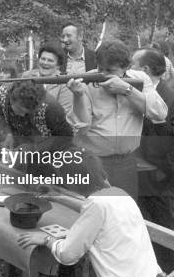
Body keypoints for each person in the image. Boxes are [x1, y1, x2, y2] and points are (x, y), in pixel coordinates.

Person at [17, 156, 162, 277]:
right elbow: (91, 207)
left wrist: (46, 239)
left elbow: (67, 254)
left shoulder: (97, 205)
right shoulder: (121, 195)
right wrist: (58, 197)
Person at [67, 40, 167, 200]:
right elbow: (83, 124)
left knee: (124, 211)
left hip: (126, 162)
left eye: (110, 71)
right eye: (101, 69)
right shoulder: (88, 80)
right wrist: (78, 95)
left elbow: (159, 113)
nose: (104, 74)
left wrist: (127, 90)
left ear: (126, 67)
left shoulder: (140, 79)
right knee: (91, 206)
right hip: (93, 161)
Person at [133, 48, 174, 273]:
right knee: (140, 230)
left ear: (144, 70)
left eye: (132, 66)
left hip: (158, 180)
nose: (127, 70)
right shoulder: (135, 96)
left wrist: (163, 169)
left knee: (163, 233)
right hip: (137, 176)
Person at [0, 81, 73, 168]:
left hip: (45, 157)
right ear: (11, 98)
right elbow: (2, 114)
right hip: (19, 150)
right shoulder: (2, 93)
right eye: (20, 109)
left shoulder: (51, 108)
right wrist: (8, 133)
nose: (22, 115)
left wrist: (32, 149)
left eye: (27, 112)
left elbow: (66, 139)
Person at [21, 42, 75, 123]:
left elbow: (62, 114)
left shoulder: (64, 83)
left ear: (58, 65)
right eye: (43, 59)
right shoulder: (26, 76)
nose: (45, 63)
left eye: (50, 60)